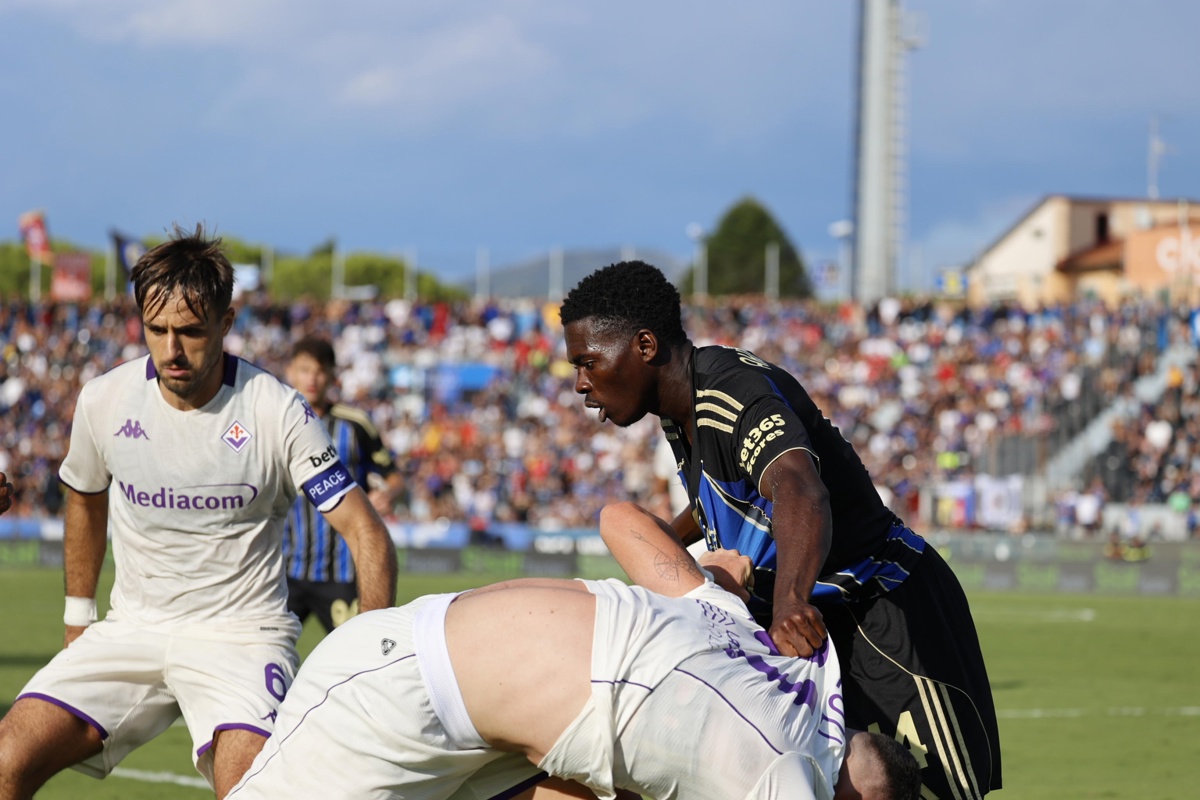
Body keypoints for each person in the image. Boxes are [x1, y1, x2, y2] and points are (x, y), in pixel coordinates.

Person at [559, 261, 1001, 800]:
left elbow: (798, 488)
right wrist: (668, 545)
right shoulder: (680, 412)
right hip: (814, 630)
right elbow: (730, 500)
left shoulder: (730, 390)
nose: (581, 384)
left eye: (588, 362)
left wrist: (791, 598)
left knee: (931, 793)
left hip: (884, 613)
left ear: (645, 346)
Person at [0, 225, 399, 800]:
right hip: (132, 629)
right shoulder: (103, 400)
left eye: (190, 331)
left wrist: (373, 652)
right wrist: (77, 616)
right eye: (157, 330)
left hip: (243, 638)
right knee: (8, 758)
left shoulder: (277, 408)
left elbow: (365, 531)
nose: (171, 350)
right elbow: (85, 498)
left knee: (252, 791)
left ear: (226, 324)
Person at [228, 501, 921, 800]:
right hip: (391, 694)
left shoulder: (737, 632)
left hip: (469, 728)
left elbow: (619, 521)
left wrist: (710, 575)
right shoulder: (790, 766)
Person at [282, 336, 404, 634]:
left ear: (332, 375)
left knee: (356, 659)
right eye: (305, 369)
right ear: (290, 372)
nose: (312, 378)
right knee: (261, 659)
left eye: (320, 371)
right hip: (285, 572)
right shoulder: (274, 422)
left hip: (341, 574)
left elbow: (394, 476)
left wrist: (387, 495)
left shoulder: (355, 424)